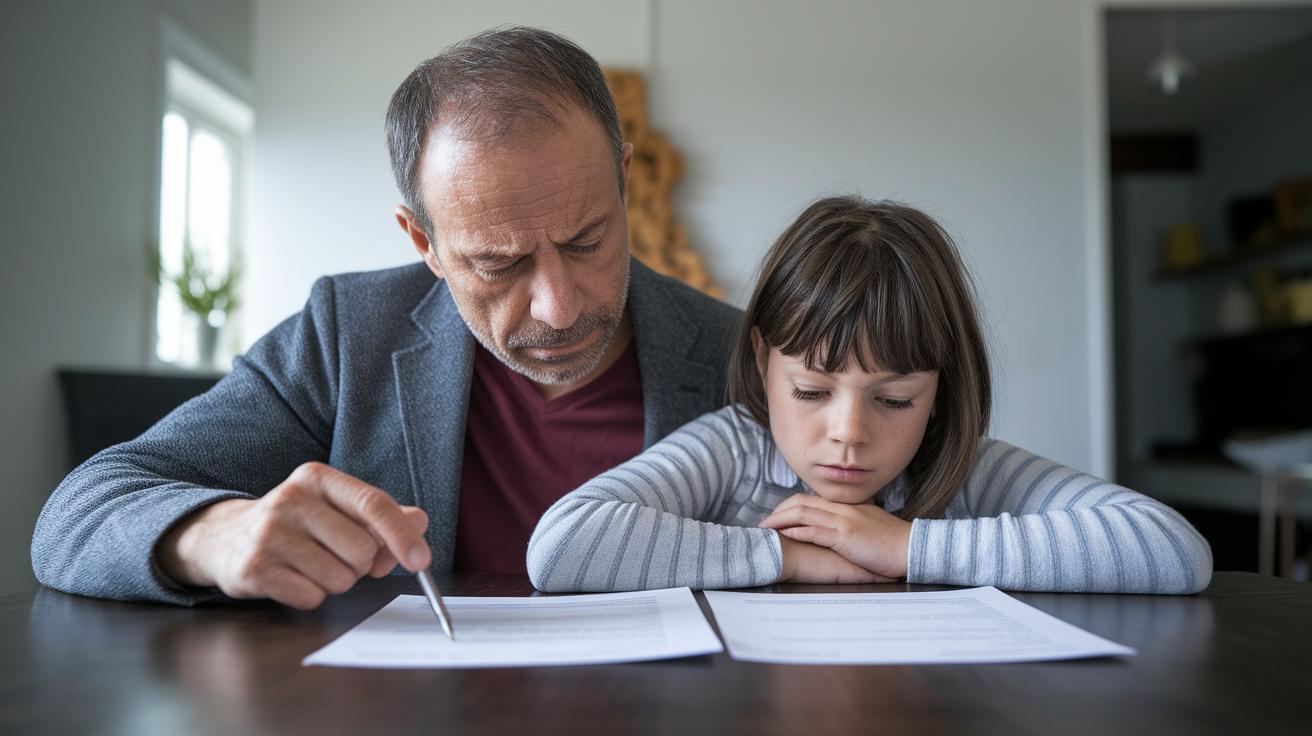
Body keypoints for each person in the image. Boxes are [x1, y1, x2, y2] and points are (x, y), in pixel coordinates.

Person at [31, 26, 739, 608]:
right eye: (499, 264)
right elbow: (78, 514)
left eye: (587, 241)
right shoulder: (348, 333)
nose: (559, 308)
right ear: (422, 240)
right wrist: (214, 534)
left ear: (623, 180)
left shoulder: (743, 353)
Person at [528, 196, 1213, 594]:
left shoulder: (963, 468)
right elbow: (562, 545)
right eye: (811, 390)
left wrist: (908, 548)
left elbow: (1173, 549)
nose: (849, 433)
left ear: (941, 388)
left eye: (895, 400)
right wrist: (793, 559)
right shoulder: (733, 448)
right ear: (763, 358)